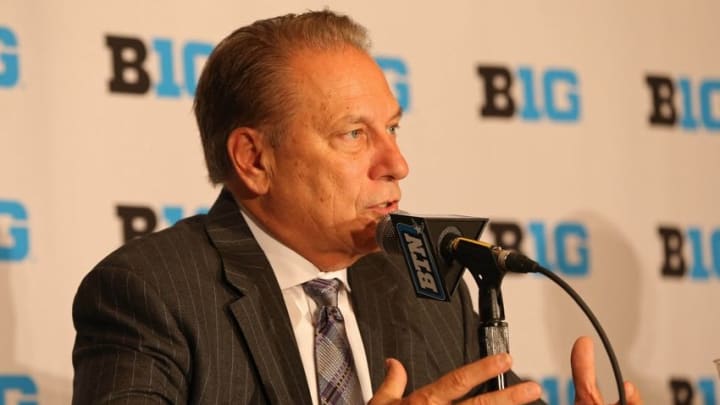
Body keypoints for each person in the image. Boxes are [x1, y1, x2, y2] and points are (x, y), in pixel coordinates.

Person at [72, 9, 643, 405]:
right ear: (253, 158)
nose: (397, 163)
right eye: (353, 134)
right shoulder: (150, 293)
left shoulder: (424, 287)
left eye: (392, 127)